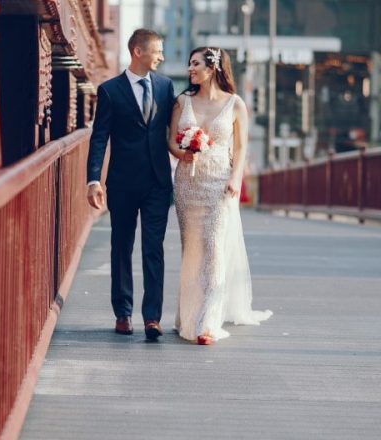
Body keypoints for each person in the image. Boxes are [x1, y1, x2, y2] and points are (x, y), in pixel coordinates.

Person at [169, 47, 272, 345]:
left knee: (213, 247)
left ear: (212, 67)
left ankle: (207, 323)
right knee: (192, 249)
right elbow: (170, 141)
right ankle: (188, 316)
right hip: (188, 183)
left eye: (195, 63)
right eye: (189, 63)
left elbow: (240, 147)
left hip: (219, 183)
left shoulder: (235, 104)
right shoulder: (182, 102)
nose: (190, 69)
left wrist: (235, 178)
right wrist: (182, 153)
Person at [86, 29, 175, 341]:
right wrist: (94, 179)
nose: (161, 57)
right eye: (157, 51)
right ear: (138, 51)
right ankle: (123, 313)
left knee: (154, 249)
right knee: (121, 246)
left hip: (158, 183)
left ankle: (152, 318)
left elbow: (173, 128)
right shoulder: (110, 91)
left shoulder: (165, 86)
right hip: (123, 183)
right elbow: (99, 138)